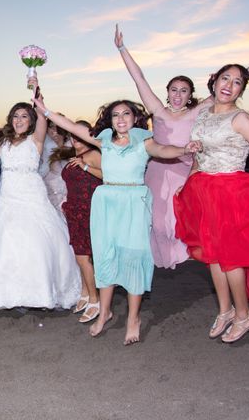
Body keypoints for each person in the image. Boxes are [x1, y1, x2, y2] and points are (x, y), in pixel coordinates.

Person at [34, 93, 201, 345]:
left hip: (134, 202)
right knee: (106, 257)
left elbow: (164, 150)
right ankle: (104, 313)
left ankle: (133, 318)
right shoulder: (103, 141)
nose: (121, 118)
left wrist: (184, 148)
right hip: (107, 202)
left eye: (126, 113)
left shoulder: (144, 141)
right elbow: (70, 126)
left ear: (135, 118)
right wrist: (45, 111)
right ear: (110, 120)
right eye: (115, 114)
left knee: (133, 258)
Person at [115, 25, 249, 269]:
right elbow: (139, 79)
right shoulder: (158, 110)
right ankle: (158, 258)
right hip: (157, 169)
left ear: (191, 95)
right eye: (174, 90)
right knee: (157, 220)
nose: (178, 95)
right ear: (167, 93)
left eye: (184, 91)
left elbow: (230, 83)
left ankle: (188, 255)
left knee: (180, 220)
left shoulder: (200, 110)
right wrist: (122, 48)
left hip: (184, 170)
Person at [174, 64, 249, 343]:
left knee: (231, 257)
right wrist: (190, 180)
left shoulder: (241, 118)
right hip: (204, 190)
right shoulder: (202, 115)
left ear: (241, 90)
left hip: (231, 192)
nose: (229, 84)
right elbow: (197, 156)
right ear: (214, 82)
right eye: (225, 78)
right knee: (211, 254)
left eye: (237, 82)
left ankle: (244, 315)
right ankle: (225, 310)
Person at [0, 102, 81, 318]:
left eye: (24, 116)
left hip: (32, 194)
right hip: (7, 195)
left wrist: (36, 92)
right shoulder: (2, 141)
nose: (19, 120)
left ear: (31, 120)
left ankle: (41, 293)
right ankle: (8, 294)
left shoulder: (37, 139)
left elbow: (43, 117)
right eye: (16, 116)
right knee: (8, 243)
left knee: (36, 242)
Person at [60, 120, 103, 323]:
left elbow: (110, 176)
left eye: (79, 136)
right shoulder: (75, 155)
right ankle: (86, 293)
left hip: (89, 210)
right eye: (72, 136)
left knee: (83, 257)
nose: (74, 139)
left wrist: (86, 166)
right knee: (82, 255)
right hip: (74, 210)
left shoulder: (95, 154)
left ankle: (96, 300)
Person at [42, 121, 73, 215]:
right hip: (48, 193)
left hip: (67, 195)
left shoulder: (72, 147)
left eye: (58, 127)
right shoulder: (42, 148)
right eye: (51, 127)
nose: (55, 130)